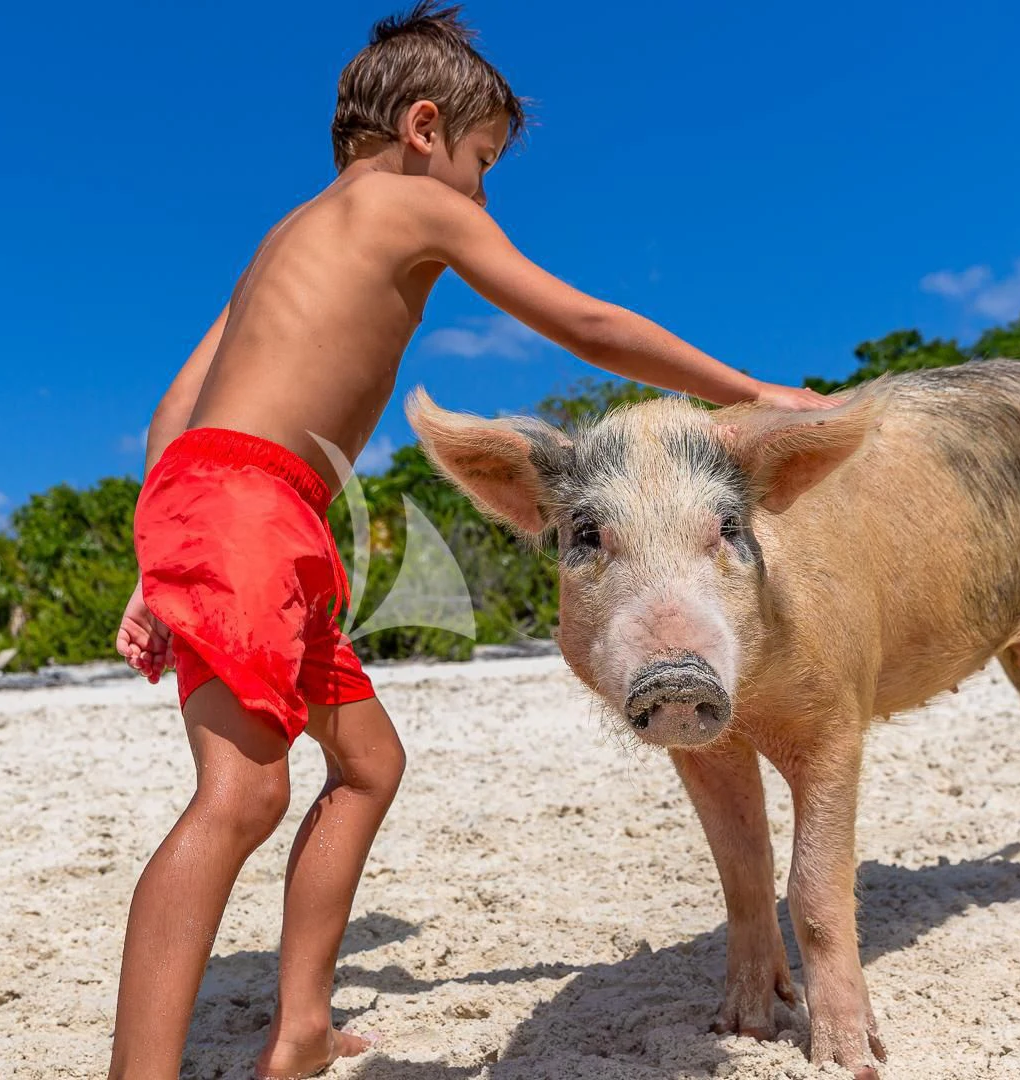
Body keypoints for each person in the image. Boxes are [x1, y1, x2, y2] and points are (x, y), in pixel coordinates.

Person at [108, 4, 832, 1077]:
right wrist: (751, 390)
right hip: (253, 509)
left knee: (367, 764)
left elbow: (179, 408)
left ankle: (301, 1027)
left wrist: (159, 558)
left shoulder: (282, 238)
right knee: (243, 793)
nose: (483, 194)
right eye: (483, 163)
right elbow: (581, 322)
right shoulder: (414, 205)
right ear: (424, 127)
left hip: (249, 511)